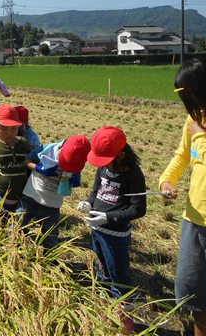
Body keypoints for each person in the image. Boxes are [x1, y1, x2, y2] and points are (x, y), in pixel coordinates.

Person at [159, 58, 206, 336]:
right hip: (193, 219)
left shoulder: (201, 128)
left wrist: (202, 138)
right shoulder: (194, 119)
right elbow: (183, 155)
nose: (185, 102)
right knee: (193, 299)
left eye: (186, 94)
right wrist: (167, 179)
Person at [78, 126, 146, 333]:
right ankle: (104, 308)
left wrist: (109, 217)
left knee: (119, 275)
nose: (102, 165)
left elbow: (138, 209)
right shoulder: (103, 169)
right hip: (97, 230)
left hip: (116, 235)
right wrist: (89, 203)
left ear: (122, 155)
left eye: (105, 159)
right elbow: (96, 191)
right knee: (101, 270)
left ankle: (124, 319)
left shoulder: (133, 175)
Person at [19, 134, 90, 249]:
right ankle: (15, 257)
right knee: (15, 228)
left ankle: (50, 263)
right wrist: (39, 168)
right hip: (31, 198)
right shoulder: (46, 150)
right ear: (62, 149)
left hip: (52, 206)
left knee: (51, 241)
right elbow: (27, 160)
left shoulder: (77, 162)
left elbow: (76, 182)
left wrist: (74, 180)